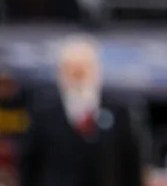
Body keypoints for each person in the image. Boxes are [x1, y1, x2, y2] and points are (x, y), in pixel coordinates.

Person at [18, 35, 143, 186]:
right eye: (71, 68)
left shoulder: (119, 112)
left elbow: (131, 164)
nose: (78, 74)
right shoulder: (43, 114)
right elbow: (29, 166)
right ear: (60, 72)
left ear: (96, 69)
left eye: (84, 67)